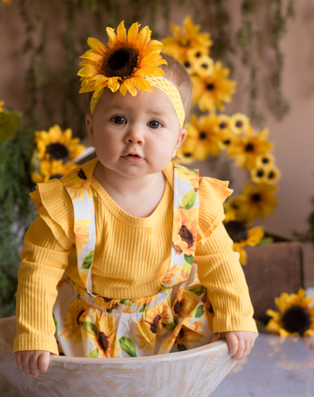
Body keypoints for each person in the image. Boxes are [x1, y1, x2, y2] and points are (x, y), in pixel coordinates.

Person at [14, 22, 256, 378]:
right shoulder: (69, 202)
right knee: (86, 383)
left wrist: (237, 316)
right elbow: (39, 269)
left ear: (179, 140)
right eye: (118, 119)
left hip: (168, 315)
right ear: (91, 129)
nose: (135, 136)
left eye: (155, 125)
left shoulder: (191, 198)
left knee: (186, 371)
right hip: (91, 323)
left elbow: (220, 261)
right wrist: (34, 333)